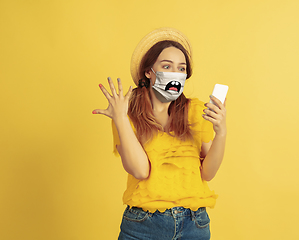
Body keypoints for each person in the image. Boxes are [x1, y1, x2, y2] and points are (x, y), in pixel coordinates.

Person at [92, 28, 227, 240]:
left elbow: (207, 174)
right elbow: (140, 171)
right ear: (148, 71)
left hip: (194, 225)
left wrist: (221, 133)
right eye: (167, 66)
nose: (175, 74)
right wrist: (120, 118)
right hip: (142, 225)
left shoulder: (196, 111)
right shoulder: (125, 112)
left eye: (181, 69)